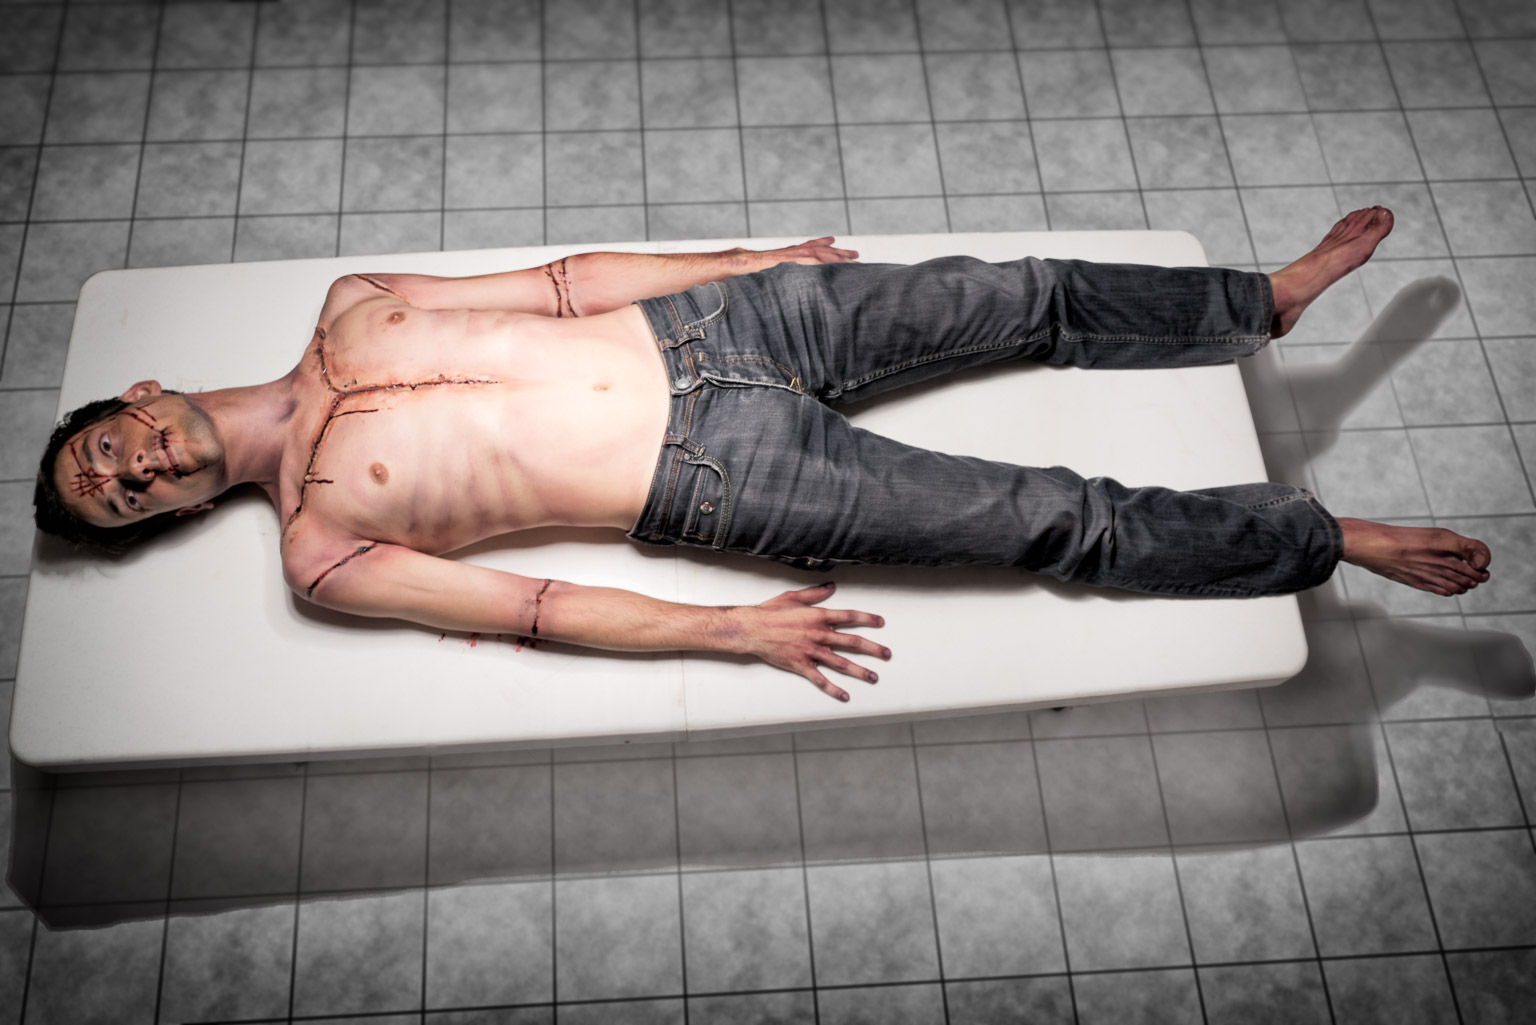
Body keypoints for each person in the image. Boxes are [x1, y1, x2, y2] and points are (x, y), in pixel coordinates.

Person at [33, 207, 1492, 701]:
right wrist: (731, 632)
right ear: (160, 515)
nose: (128, 471)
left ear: (136, 399)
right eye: (116, 502)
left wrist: (740, 262)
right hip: (719, 478)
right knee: (1051, 520)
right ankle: (1326, 541)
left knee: (1020, 291)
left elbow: (560, 283)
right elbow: (532, 608)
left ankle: (1257, 302)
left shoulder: (352, 306)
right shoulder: (318, 549)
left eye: (103, 451)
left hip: (720, 323)